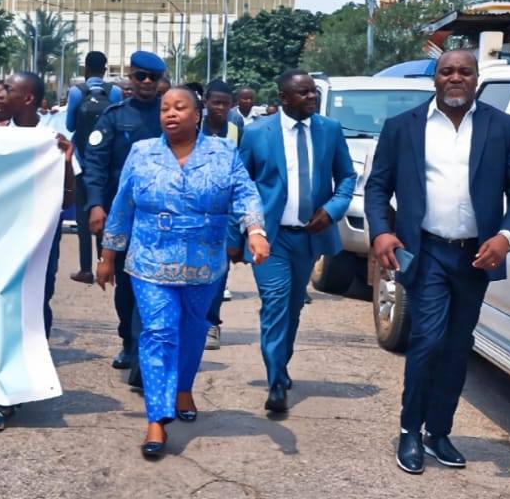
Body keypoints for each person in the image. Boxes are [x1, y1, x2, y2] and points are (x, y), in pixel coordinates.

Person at [365, 50, 510, 474]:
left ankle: (438, 432)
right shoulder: (403, 128)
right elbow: (377, 188)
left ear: (477, 78)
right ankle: (410, 431)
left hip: (476, 256)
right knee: (427, 341)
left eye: (464, 71)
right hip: (426, 252)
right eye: (447, 71)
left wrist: (506, 237)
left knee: (459, 347)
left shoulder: (502, 127)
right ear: (435, 78)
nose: (455, 77)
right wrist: (382, 231)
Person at [97, 87, 267, 458]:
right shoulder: (142, 153)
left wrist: (255, 231)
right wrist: (108, 255)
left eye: (179, 107)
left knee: (192, 330)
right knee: (159, 332)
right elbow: (122, 204)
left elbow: (244, 193)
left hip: (204, 263)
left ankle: (183, 388)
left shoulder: (223, 152)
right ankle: (157, 418)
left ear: (197, 113)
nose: (170, 114)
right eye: (165, 108)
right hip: (149, 261)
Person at [236, 69, 356, 415]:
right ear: (284, 99)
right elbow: (242, 186)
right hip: (269, 238)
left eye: (314, 92)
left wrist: (332, 210)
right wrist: (237, 234)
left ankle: (281, 363)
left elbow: (347, 176)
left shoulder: (329, 130)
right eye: (303, 94)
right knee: (275, 304)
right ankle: (275, 381)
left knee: (292, 307)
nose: (312, 98)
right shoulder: (258, 133)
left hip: (308, 237)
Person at [0, 71, 74, 433]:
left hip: (37, 243)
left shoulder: (52, 138)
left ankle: (17, 387)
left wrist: (65, 162)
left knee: (31, 306)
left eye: (10, 90)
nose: (1, 94)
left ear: (28, 99)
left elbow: (68, 199)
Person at [84, 51, 167, 386]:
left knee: (155, 284)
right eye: (140, 76)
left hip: (162, 217)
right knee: (124, 285)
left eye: (153, 77)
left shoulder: (170, 116)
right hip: (121, 216)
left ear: (161, 80)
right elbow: (96, 164)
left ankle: (144, 347)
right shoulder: (114, 117)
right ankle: (129, 341)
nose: (146, 83)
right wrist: (95, 205)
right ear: (130, 78)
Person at [67, 51, 124, 283]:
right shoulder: (115, 92)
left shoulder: (76, 92)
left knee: (83, 216)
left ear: (85, 69)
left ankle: (85, 269)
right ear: (105, 68)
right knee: (105, 212)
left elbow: (70, 125)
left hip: (82, 162)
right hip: (107, 163)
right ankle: (105, 263)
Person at [200, 79, 240, 350]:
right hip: (194, 210)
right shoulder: (193, 127)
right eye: (216, 102)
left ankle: (211, 323)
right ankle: (192, 321)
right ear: (205, 103)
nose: (221, 108)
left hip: (224, 214)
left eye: (226, 104)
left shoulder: (237, 131)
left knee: (219, 270)